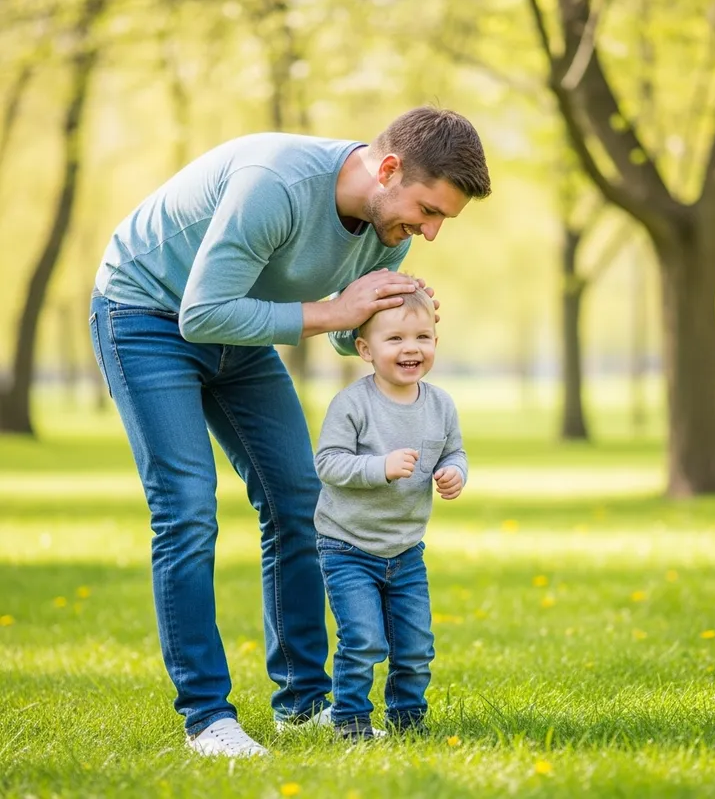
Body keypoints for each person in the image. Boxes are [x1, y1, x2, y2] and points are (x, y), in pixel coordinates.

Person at [87, 106, 491, 757]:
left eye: (442, 218)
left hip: (237, 332)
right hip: (147, 317)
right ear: (388, 169)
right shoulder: (274, 183)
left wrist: (381, 321)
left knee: (300, 500)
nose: (431, 231)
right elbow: (200, 312)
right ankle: (206, 718)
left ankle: (303, 706)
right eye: (428, 210)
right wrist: (337, 307)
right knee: (187, 510)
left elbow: (336, 332)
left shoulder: (391, 230)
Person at [314, 287, 466, 740]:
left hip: (405, 551)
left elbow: (454, 452)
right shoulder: (353, 404)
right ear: (365, 349)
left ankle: (407, 722)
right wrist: (378, 467)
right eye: (395, 339)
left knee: (416, 645)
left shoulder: (439, 405)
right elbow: (328, 463)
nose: (411, 348)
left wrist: (455, 472)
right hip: (347, 546)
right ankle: (352, 722)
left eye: (423, 336)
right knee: (363, 641)